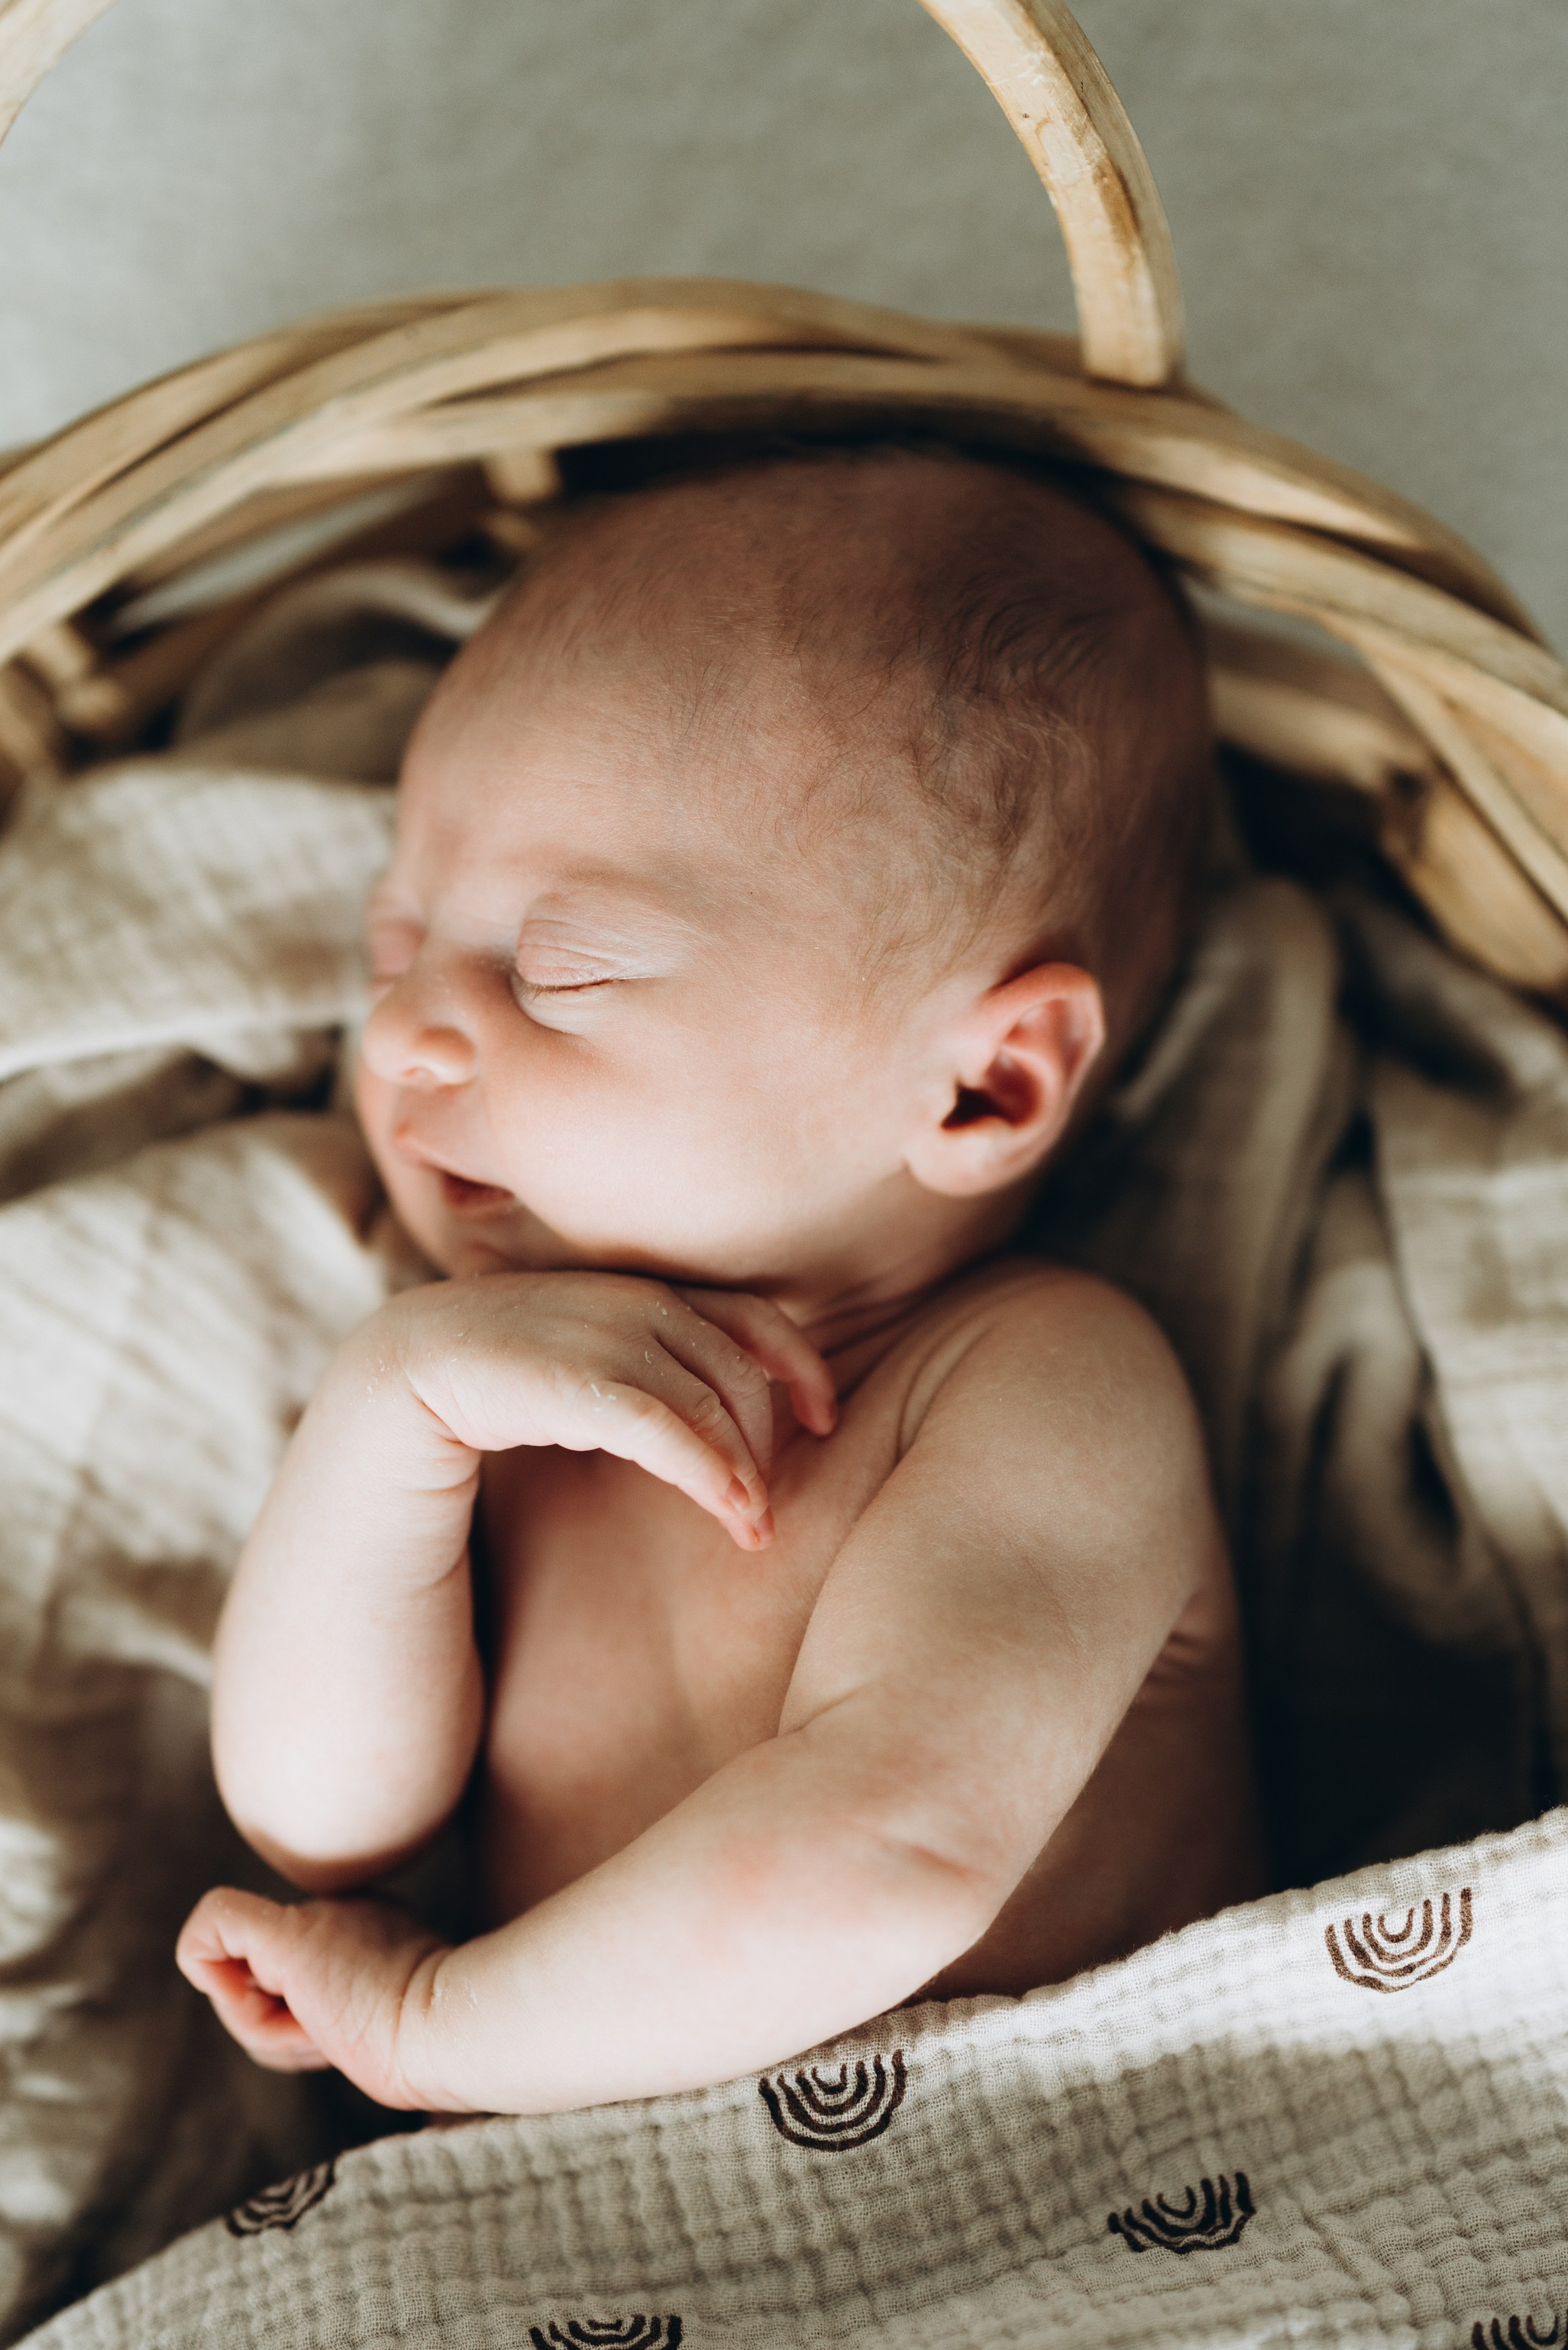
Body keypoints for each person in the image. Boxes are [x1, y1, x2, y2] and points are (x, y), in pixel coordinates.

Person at [175, 445, 1263, 2116]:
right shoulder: (502, 1407)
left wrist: (435, 2030)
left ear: (982, 1087)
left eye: (562, 968)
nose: (395, 1036)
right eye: (397, 949)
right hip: (593, 2266)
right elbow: (320, 1823)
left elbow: (889, 1847)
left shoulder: (1039, 1384)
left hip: (1055, 2181)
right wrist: (382, 1415)